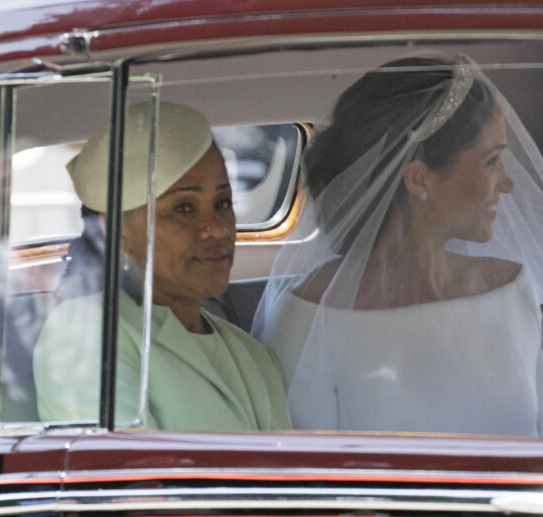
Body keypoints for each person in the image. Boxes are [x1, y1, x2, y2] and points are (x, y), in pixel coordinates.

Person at [253, 54, 543, 436]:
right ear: (420, 179)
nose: (508, 183)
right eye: (492, 162)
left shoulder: (516, 290)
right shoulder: (308, 316)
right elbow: (300, 476)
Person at [34, 101, 290, 431]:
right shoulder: (84, 333)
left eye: (223, 203)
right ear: (117, 229)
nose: (218, 227)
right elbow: (123, 476)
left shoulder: (254, 356)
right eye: (184, 208)